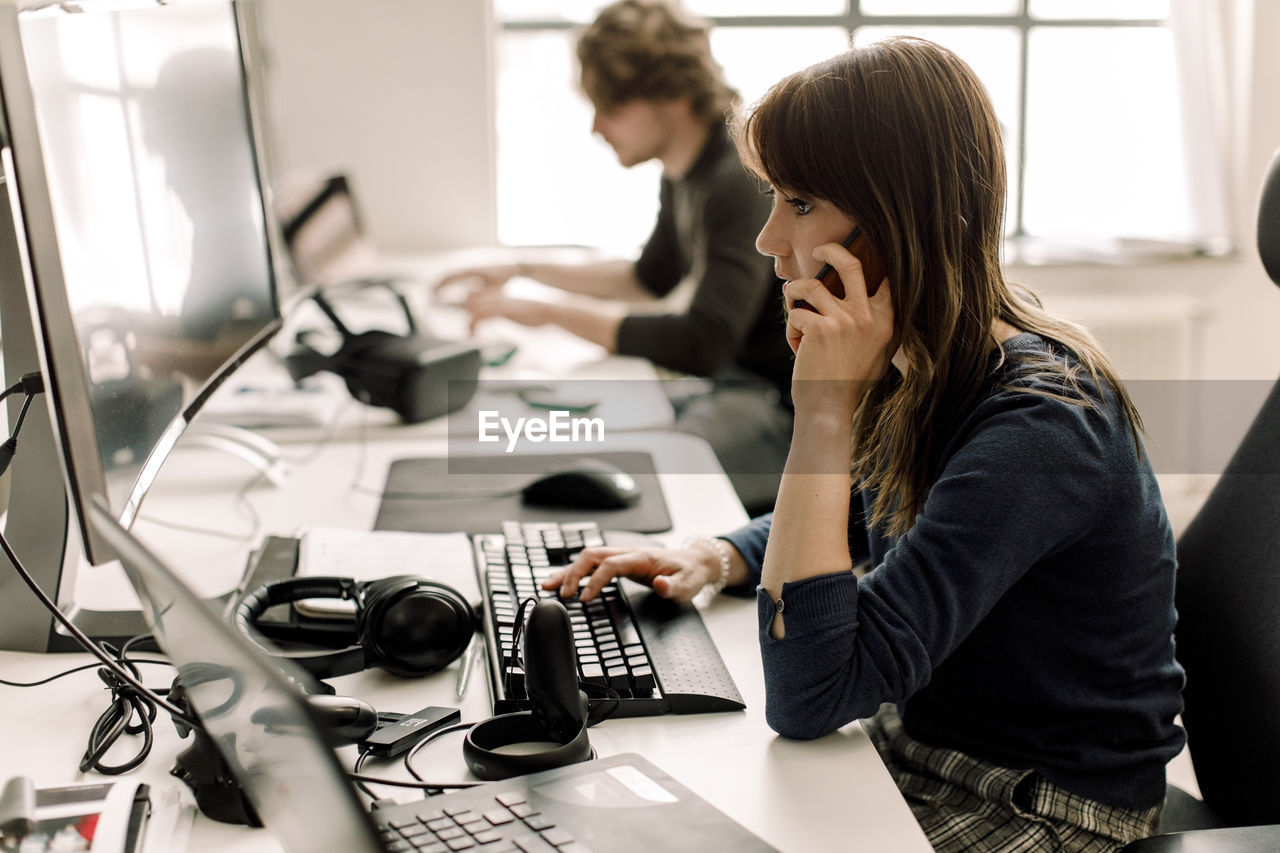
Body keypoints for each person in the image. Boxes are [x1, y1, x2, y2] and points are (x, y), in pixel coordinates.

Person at [542, 37, 1186, 852]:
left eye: (800, 203)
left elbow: (810, 692)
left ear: (899, 217)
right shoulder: (933, 351)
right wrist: (717, 552)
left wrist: (821, 413)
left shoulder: (1041, 425)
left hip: (1043, 803)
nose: (769, 239)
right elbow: (865, 506)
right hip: (927, 743)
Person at [435, 0, 793, 515]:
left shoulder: (734, 178)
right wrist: (521, 270)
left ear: (670, 96)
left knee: (628, 481)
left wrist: (543, 313)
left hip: (780, 411)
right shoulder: (687, 167)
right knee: (555, 437)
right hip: (731, 387)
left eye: (611, 107)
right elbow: (649, 277)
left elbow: (702, 341)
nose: (596, 127)